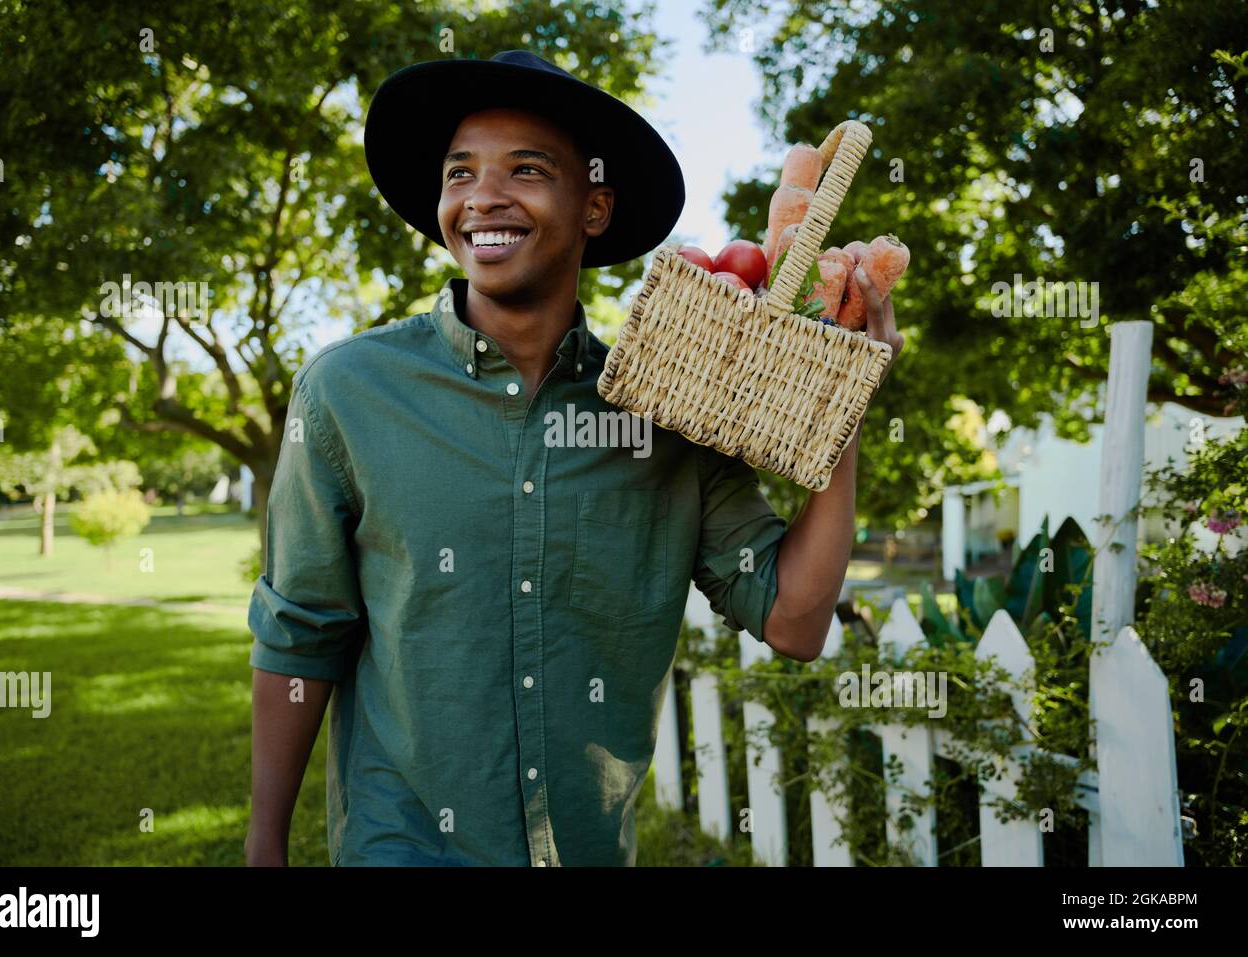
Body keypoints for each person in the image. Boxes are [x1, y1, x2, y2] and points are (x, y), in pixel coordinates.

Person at [245, 50, 903, 867]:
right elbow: (301, 633)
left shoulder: (668, 413)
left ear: (594, 207)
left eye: (525, 169)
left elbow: (795, 621)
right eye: (460, 173)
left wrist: (843, 402)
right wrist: (264, 843)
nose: (483, 195)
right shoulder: (349, 393)